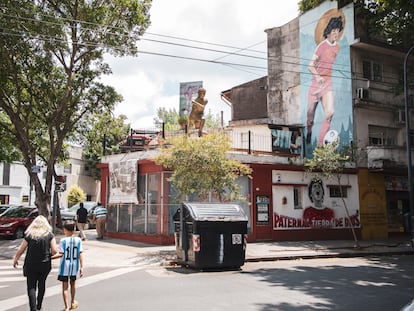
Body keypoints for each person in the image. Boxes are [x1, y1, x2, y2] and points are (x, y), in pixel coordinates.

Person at [306, 15, 343, 146]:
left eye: (338, 31)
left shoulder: (337, 47)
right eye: (334, 31)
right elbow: (310, 65)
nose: (336, 34)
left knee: (330, 112)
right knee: (310, 118)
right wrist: (318, 76)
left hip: (328, 84)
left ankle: (320, 143)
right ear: (328, 32)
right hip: (315, 85)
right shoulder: (321, 46)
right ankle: (309, 132)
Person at [13, 215, 59, 311]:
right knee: (42, 284)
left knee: (31, 286)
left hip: (31, 263)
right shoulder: (49, 235)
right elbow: (55, 251)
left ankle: (33, 308)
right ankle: (39, 306)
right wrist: (48, 254)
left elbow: (21, 249)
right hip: (45, 263)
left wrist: (16, 259)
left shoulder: (29, 235)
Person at [54, 220, 84, 311]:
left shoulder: (63, 241)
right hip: (74, 266)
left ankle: (66, 306)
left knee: (65, 287)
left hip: (64, 267)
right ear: (74, 229)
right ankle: (72, 301)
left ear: (64, 230)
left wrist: (51, 257)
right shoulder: (78, 240)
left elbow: (61, 254)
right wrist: (82, 267)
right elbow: (80, 253)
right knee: (73, 284)